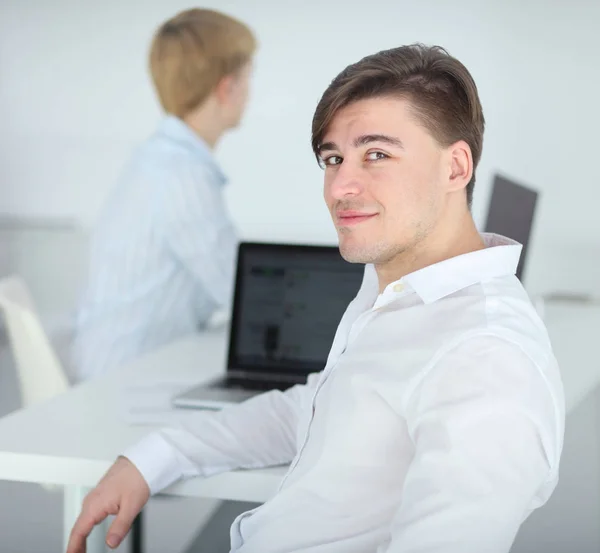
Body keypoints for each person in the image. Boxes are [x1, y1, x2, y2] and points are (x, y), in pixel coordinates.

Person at [67, 44, 565, 553]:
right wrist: (155, 456)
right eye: (333, 158)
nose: (340, 186)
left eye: (377, 154)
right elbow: (314, 408)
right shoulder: (393, 288)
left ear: (456, 167)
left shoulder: (485, 359)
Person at [71, 9, 256, 380]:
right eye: (249, 78)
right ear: (227, 87)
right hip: (122, 381)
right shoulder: (181, 175)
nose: (250, 92)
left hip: (123, 365)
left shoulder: (162, 160)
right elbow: (241, 293)